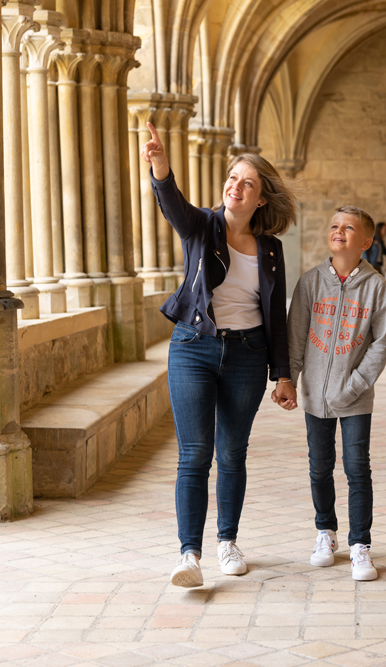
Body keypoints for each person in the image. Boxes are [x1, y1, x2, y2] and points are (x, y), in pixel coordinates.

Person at [141, 122, 299, 588]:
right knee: (195, 453)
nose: (235, 186)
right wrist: (160, 165)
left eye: (246, 183)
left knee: (232, 452)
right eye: (232, 179)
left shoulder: (270, 250)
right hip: (194, 348)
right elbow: (172, 205)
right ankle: (189, 554)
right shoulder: (202, 227)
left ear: (261, 198)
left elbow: (276, 313)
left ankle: (227, 541)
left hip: (248, 354)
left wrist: (283, 375)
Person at [287, 206, 386, 581]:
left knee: (356, 468)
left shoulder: (375, 285)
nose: (339, 231)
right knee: (319, 467)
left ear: (366, 241)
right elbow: (297, 337)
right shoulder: (311, 282)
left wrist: (353, 386)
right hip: (315, 395)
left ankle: (360, 543)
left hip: (355, 399)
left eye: (349, 227)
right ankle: (325, 532)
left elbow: (380, 344)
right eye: (334, 225)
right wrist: (289, 380)